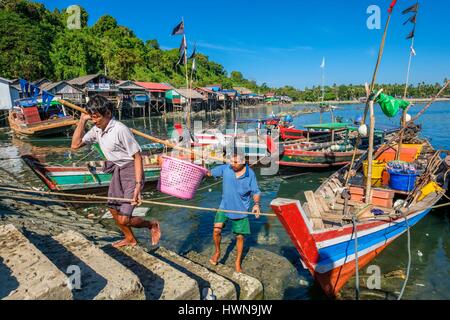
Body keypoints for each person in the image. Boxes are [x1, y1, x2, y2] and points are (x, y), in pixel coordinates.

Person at [71, 95, 161, 248]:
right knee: (113, 209)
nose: (94, 120)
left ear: (108, 113)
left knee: (124, 219)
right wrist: (82, 120)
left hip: (132, 171)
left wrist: (138, 186)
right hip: (117, 170)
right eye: (92, 117)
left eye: (97, 117)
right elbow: (75, 145)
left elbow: (137, 157)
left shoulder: (120, 129)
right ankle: (130, 239)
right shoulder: (96, 130)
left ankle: (152, 224)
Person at [207, 154, 261, 273]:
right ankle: (217, 252)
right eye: (231, 162)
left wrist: (256, 204)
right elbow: (209, 173)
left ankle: (237, 262)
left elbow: (256, 191)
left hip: (240, 209)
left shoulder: (250, 174)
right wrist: (201, 169)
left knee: (240, 237)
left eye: (235, 162)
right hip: (224, 205)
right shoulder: (226, 168)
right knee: (216, 230)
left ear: (243, 162)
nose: (232, 164)